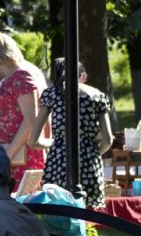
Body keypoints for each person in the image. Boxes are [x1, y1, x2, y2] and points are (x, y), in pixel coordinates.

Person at [29, 58, 113, 209]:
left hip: (59, 159)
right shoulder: (97, 95)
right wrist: (92, 152)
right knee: (89, 211)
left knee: (58, 210)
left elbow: (33, 140)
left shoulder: (51, 94)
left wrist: (58, 143)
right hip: (89, 160)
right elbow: (108, 139)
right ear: (82, 76)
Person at [0, 31, 45, 187]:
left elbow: (31, 119)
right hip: (11, 155)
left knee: (25, 203)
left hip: (22, 157)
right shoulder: (8, 79)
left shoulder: (21, 77)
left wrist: (6, 156)